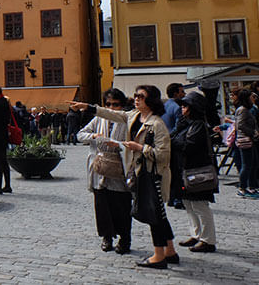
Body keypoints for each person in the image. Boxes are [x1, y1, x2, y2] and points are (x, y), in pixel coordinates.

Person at [79, 85, 178, 269]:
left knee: (154, 215)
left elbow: (164, 155)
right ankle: (170, 251)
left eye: (141, 96)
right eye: (136, 95)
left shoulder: (157, 124)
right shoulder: (134, 116)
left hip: (152, 175)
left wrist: (139, 148)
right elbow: (110, 114)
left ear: (151, 101)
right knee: (159, 215)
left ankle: (158, 256)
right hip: (139, 172)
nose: (137, 99)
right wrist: (88, 107)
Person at [76, 88, 132, 254]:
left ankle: (124, 238)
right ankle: (107, 237)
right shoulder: (98, 118)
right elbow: (80, 135)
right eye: (108, 104)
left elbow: (134, 144)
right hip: (99, 168)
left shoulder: (127, 119)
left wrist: (119, 145)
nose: (111, 108)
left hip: (119, 168)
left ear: (122, 105)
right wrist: (93, 137)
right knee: (102, 206)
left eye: (115, 105)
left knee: (121, 205)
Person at [171, 91, 218, 253]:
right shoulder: (187, 124)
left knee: (200, 206)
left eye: (185, 106)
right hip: (186, 170)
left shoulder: (197, 125)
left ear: (193, 108)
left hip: (197, 171)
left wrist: (175, 140)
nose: (182, 109)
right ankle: (196, 234)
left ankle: (208, 240)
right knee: (189, 204)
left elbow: (188, 146)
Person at [234, 88, 259, 198]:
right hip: (245, 140)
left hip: (250, 140)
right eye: (252, 96)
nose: (253, 98)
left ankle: (252, 188)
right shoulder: (242, 110)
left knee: (253, 164)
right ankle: (242, 188)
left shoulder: (247, 109)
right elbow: (240, 125)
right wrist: (253, 133)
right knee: (246, 165)